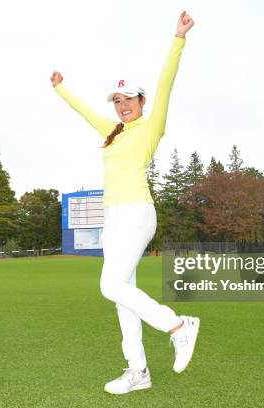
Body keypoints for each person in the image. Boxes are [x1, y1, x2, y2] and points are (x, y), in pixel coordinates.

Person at [50, 11, 199, 395]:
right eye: (117, 101)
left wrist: (178, 38)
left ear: (141, 100)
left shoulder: (151, 126)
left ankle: (179, 326)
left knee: (110, 285)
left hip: (137, 213)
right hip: (113, 219)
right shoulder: (113, 131)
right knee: (120, 295)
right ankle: (139, 371)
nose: (121, 106)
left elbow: (166, 83)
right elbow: (85, 111)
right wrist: (60, 89)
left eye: (127, 99)